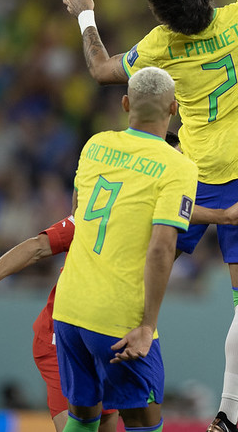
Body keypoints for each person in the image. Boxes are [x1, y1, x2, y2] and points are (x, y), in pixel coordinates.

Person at [61, 0, 238, 432]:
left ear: (166, 21)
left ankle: (95, 372)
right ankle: (227, 415)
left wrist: (86, 14)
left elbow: (101, 70)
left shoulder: (161, 44)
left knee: (132, 263)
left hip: (190, 174)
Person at [0, 131, 238, 432]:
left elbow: (175, 208)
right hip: (61, 335)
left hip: (108, 332)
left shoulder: (159, 217)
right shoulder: (99, 215)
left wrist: (223, 216)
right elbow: (38, 246)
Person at [60, 66, 198, 432]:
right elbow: (162, 248)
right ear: (174, 109)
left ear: (125, 104)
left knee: (83, 418)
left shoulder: (95, 145)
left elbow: (77, 213)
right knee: (142, 421)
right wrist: (148, 325)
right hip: (119, 317)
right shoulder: (178, 166)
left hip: (70, 307)